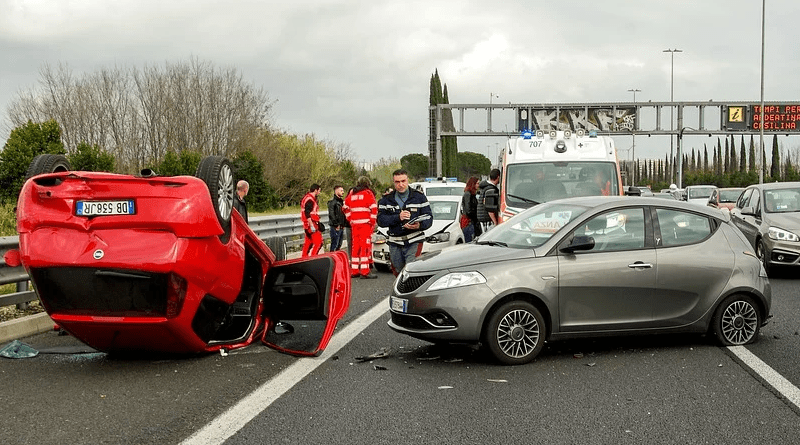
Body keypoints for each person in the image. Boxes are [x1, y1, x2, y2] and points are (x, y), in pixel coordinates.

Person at [377, 169, 433, 275]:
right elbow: (380, 220)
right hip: (395, 241)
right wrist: (398, 217)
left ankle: (411, 290)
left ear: (408, 181)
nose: (401, 185)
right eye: (397, 182)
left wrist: (419, 225)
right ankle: (401, 290)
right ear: (393, 182)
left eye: (403, 181)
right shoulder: (386, 199)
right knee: (398, 271)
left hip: (414, 240)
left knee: (411, 269)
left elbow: (429, 218)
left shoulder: (419, 197)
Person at [343, 177, 378, 279]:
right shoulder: (368, 193)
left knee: (355, 248)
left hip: (355, 226)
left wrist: (350, 219)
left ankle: (354, 270)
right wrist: (372, 222)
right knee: (365, 248)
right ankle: (365, 271)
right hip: (365, 225)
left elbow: (345, 207)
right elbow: (374, 208)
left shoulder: (352, 193)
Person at [300, 183, 323, 257]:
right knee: (318, 242)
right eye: (319, 190)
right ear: (315, 190)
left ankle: (304, 258)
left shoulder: (307, 198)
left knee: (308, 243)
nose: (319, 192)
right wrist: (312, 225)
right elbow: (307, 213)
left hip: (307, 224)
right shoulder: (310, 200)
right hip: (311, 224)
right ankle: (313, 257)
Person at [461, 176, 481, 242]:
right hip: (468, 222)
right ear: (473, 184)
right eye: (477, 183)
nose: (478, 185)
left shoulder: (472, 194)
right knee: (469, 241)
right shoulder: (468, 194)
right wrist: (475, 216)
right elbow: (468, 210)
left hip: (472, 221)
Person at [327, 185, 346, 251]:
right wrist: (336, 224)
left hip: (341, 226)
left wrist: (343, 224)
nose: (343, 192)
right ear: (336, 191)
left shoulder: (341, 202)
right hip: (335, 227)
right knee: (334, 244)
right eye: (341, 190)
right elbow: (332, 214)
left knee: (339, 245)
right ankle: (332, 258)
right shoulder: (333, 203)